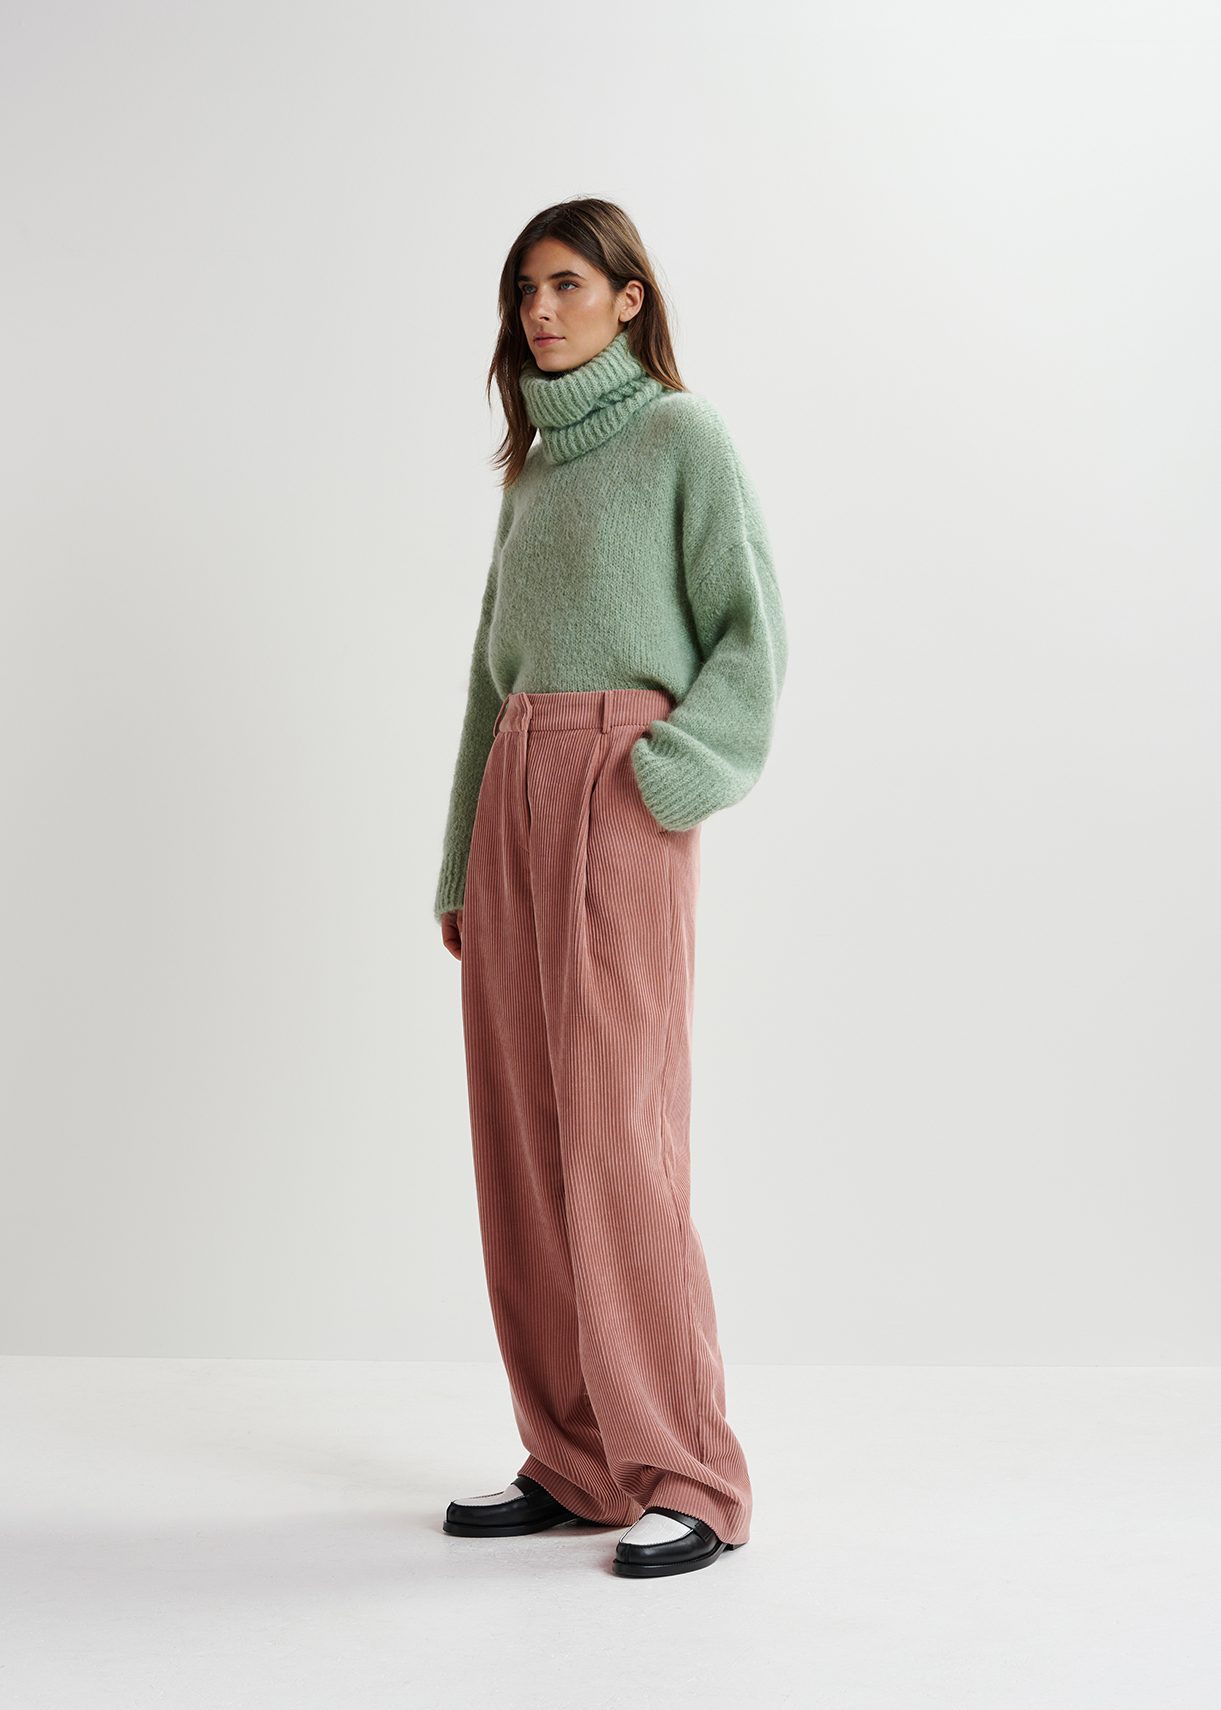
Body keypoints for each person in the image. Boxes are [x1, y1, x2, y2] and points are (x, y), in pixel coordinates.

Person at [433, 197, 787, 1579]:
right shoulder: (529, 477)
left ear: (630, 298)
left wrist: (666, 776)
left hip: (617, 790)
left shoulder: (681, 439)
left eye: (567, 284)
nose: (539, 310)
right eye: (524, 289)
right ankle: (575, 1457)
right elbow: (489, 683)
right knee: (523, 1138)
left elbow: (751, 636)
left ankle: (687, 1472)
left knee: (619, 1138)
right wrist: (459, 862)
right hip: (516, 795)